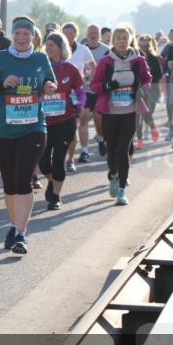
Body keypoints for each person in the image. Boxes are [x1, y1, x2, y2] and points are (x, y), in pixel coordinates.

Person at [0, 16, 56, 256]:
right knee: (10, 183)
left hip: (33, 128)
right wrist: (2, 83)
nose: (22, 38)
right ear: (12, 35)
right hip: (3, 130)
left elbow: (49, 81)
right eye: (18, 33)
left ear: (33, 37)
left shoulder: (41, 59)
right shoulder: (0, 58)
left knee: (23, 180)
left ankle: (21, 234)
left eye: (26, 34)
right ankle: (14, 225)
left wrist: (50, 86)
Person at [90, 27, 153, 205]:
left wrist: (141, 90)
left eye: (125, 38)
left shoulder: (139, 60)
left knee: (123, 149)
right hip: (110, 111)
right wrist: (107, 85)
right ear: (114, 41)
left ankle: (122, 191)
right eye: (118, 38)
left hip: (130, 111)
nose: (122, 41)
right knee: (112, 151)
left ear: (129, 39)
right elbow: (94, 84)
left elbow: (148, 79)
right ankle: (113, 175)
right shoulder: (106, 61)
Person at [38, 32, 85, 210]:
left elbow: (80, 91)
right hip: (43, 122)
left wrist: (80, 104)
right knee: (43, 161)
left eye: (52, 45)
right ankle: (52, 180)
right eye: (47, 45)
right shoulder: (40, 68)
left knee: (58, 159)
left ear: (61, 47)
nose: (48, 48)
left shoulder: (70, 69)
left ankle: (55, 196)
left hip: (66, 120)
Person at [61, 22, 94, 171]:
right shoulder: (57, 47)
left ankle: (71, 159)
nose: (69, 35)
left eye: (71, 32)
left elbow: (94, 68)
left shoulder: (83, 49)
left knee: (73, 126)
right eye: (66, 32)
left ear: (76, 34)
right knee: (59, 128)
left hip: (77, 92)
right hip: (59, 94)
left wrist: (87, 78)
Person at [80, 24, 111, 159]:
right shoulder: (82, 49)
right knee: (84, 117)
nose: (93, 35)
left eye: (95, 32)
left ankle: (100, 137)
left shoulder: (106, 50)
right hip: (85, 89)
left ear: (99, 34)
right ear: (86, 34)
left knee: (99, 118)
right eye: (90, 32)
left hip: (99, 89)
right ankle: (84, 151)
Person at [135, 34, 163, 148]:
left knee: (147, 113)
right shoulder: (135, 57)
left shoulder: (154, 58)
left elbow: (158, 75)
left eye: (145, 46)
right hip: (138, 90)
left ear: (149, 45)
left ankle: (152, 127)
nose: (143, 48)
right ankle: (140, 140)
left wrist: (148, 76)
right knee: (137, 115)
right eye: (140, 46)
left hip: (151, 89)